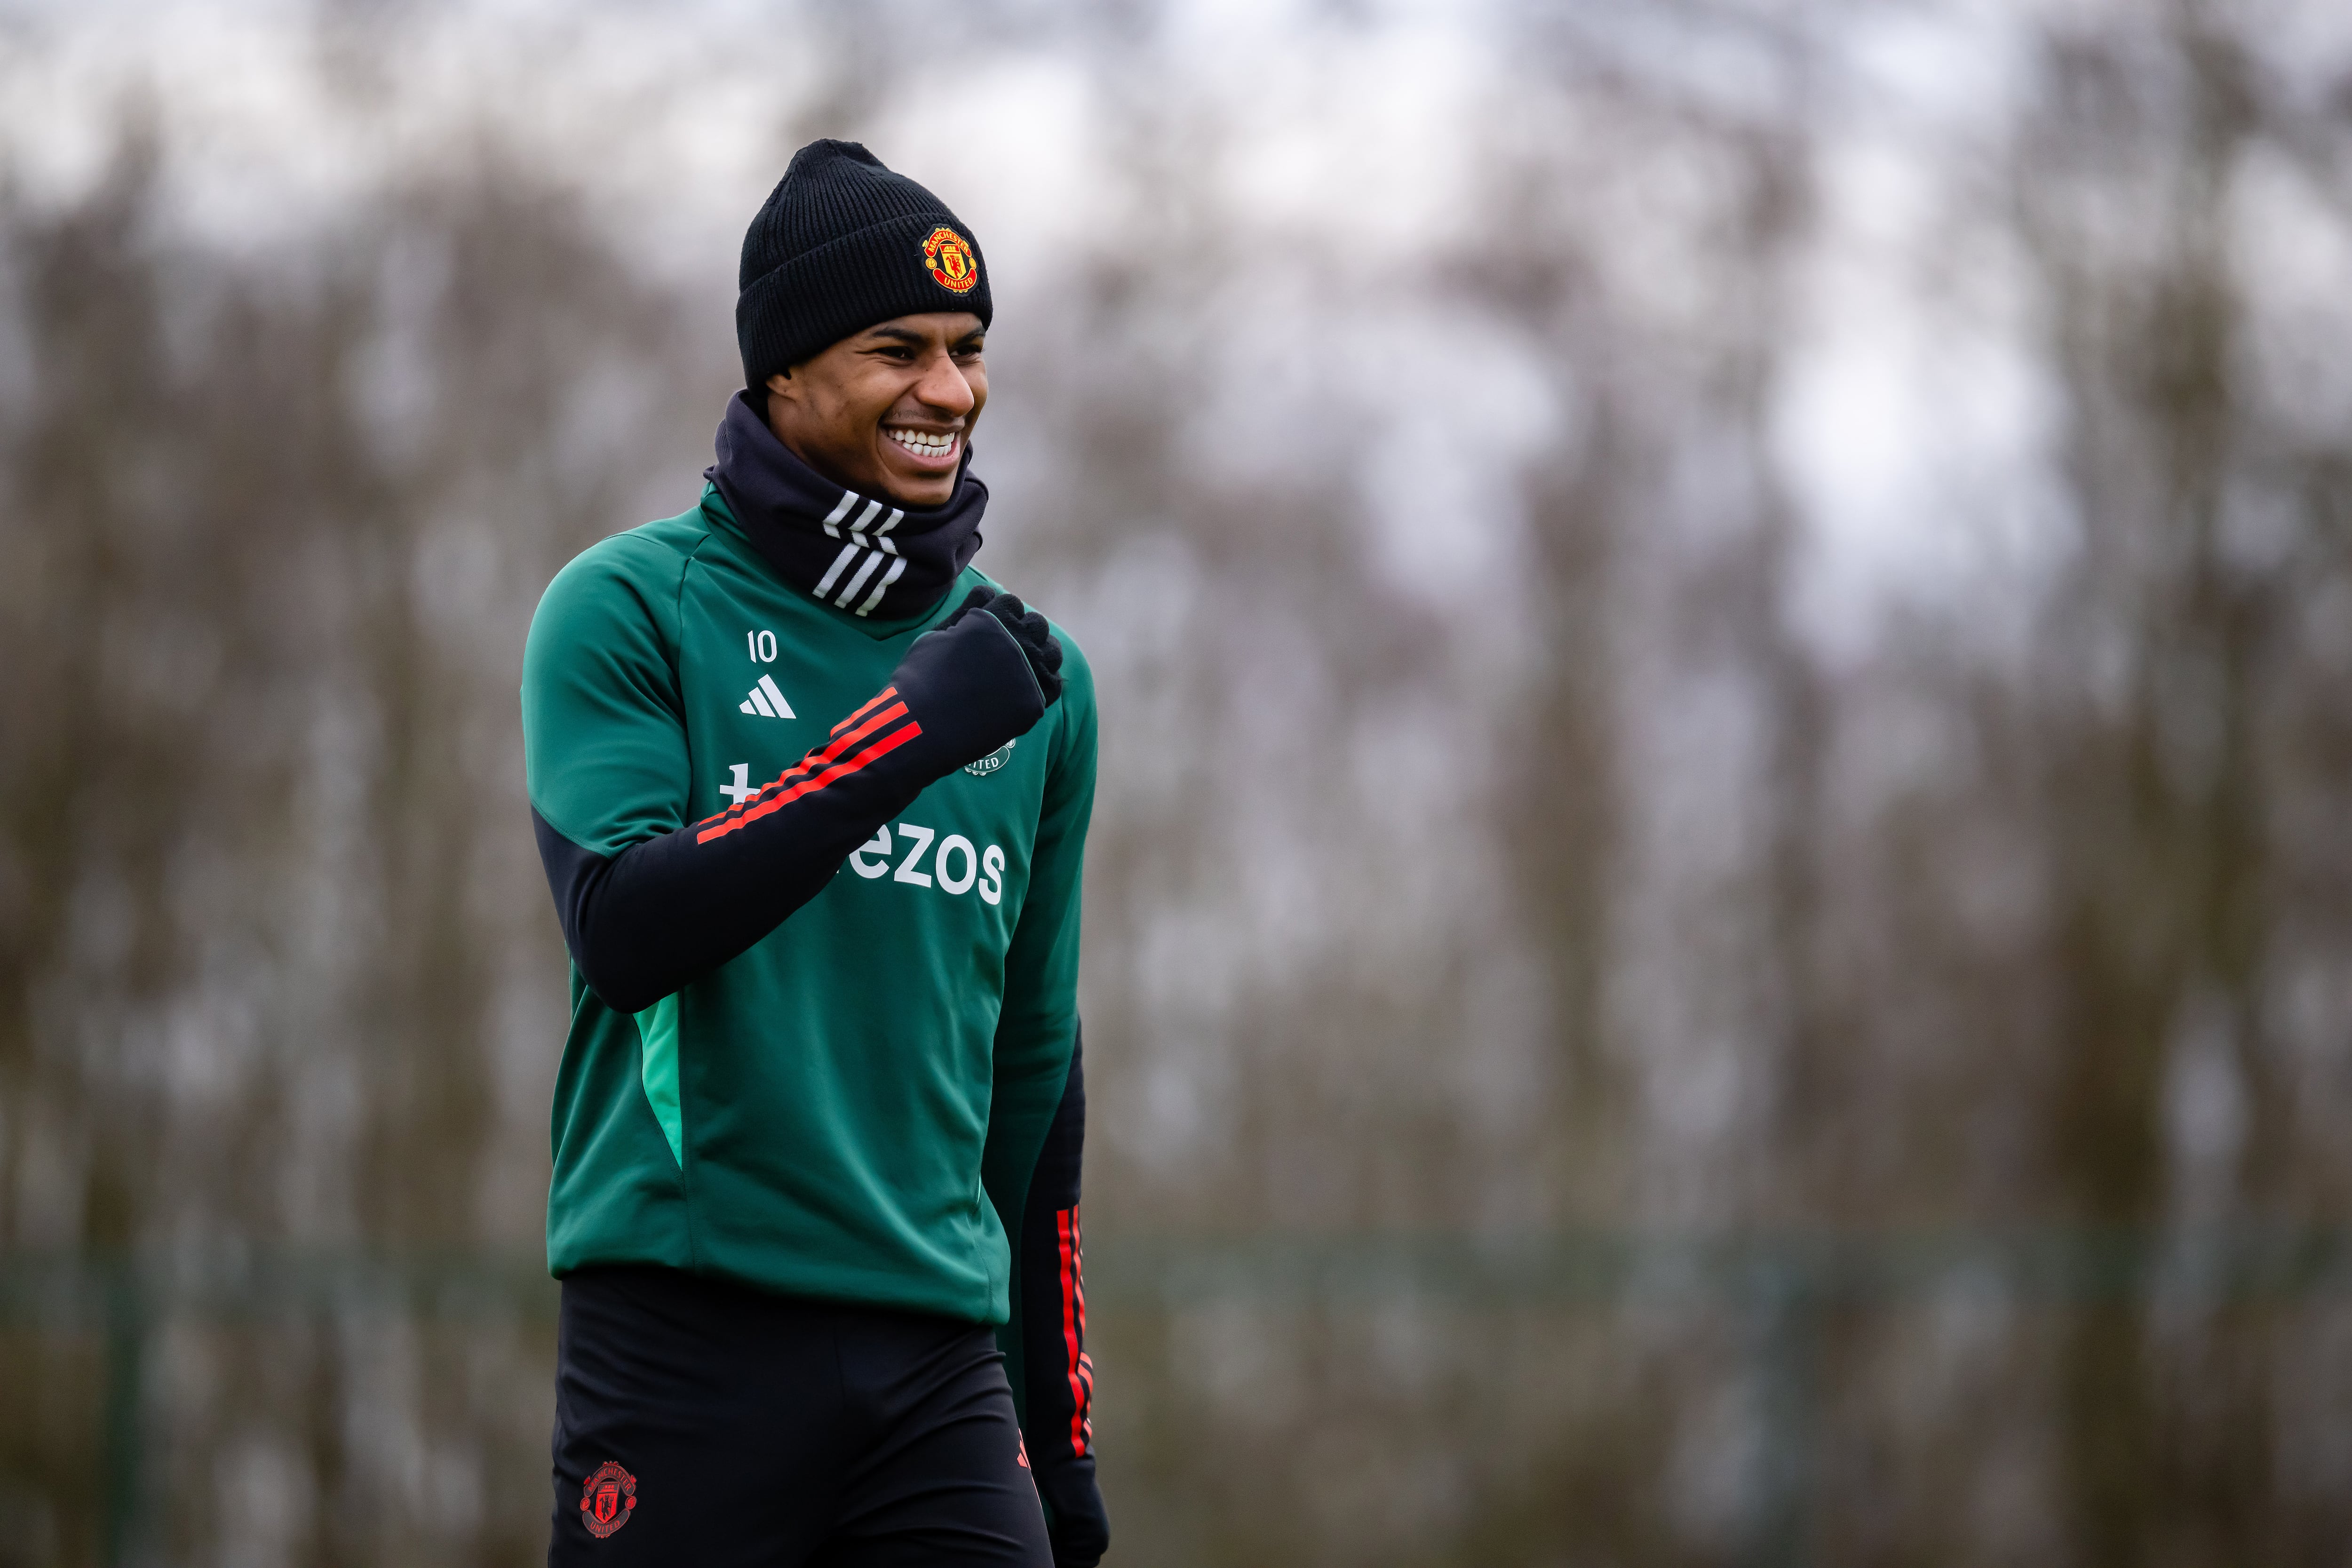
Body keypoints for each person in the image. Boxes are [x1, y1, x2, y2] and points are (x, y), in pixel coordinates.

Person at [521, 139, 1106, 1568]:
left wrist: (1062, 1423)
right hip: (685, 1338)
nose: (951, 392)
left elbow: (1033, 1069)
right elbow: (627, 924)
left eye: (968, 352)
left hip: (939, 1368)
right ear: (783, 372)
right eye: (896, 349)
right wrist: (903, 734)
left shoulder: (1039, 680)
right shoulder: (626, 608)